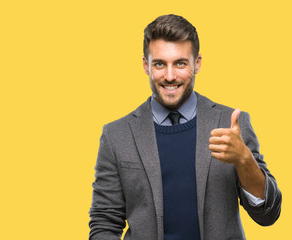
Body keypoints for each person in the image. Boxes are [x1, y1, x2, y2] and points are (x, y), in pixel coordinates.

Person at [89, 14, 282, 240]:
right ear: (145, 65)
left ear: (197, 63)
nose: (170, 76)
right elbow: (104, 223)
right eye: (159, 64)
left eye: (180, 63)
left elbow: (268, 215)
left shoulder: (231, 124)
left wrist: (245, 160)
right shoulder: (116, 135)